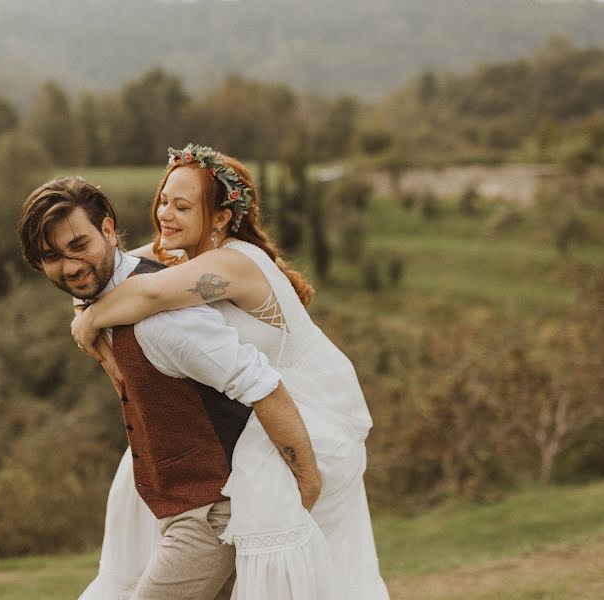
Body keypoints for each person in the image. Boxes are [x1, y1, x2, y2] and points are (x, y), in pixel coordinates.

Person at [70, 144, 390, 599]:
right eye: (164, 200)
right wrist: (83, 301)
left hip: (305, 415)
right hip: (258, 413)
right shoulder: (182, 252)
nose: (166, 213)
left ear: (220, 217)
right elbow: (109, 271)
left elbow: (149, 295)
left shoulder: (231, 263)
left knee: (277, 557)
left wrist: (88, 321)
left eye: (183, 206)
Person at [16, 176, 323, 600]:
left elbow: (264, 387)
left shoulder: (163, 322)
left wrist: (307, 487)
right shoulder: (105, 300)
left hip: (213, 512)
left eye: (78, 246)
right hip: (179, 509)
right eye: (51, 257)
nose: (69, 266)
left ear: (108, 230)